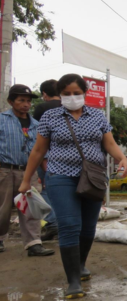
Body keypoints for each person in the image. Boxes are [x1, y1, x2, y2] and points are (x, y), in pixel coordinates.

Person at [19, 74, 127, 299]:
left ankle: (79, 264)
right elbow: (39, 150)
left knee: (88, 228)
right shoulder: (51, 117)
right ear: (60, 95)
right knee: (69, 225)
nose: (72, 97)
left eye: (76, 93)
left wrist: (122, 158)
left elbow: (108, 142)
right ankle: (73, 281)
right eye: (67, 94)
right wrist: (26, 180)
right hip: (60, 177)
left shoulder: (97, 116)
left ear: (84, 93)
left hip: (93, 178)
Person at [0, 84, 55, 256]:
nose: (25, 104)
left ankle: (33, 244)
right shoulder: (2, 120)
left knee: (30, 208)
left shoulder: (37, 125)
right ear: (11, 101)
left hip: (29, 172)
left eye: (28, 101)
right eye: (21, 100)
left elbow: (42, 151)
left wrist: (46, 174)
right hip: (5, 170)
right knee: (3, 208)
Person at [33, 79, 61, 240]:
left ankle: (52, 224)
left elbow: (38, 137)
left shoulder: (42, 108)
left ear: (44, 94)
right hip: (67, 159)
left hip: (47, 156)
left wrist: (43, 159)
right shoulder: (69, 108)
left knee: (44, 190)